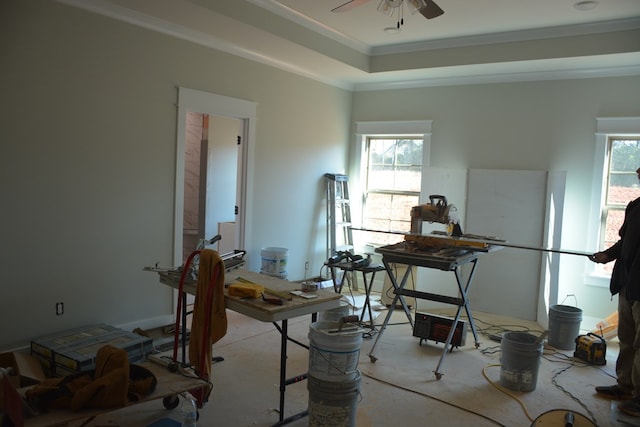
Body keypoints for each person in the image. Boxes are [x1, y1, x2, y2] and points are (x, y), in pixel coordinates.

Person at [591, 167, 640, 417]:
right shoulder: (635, 206)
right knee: (627, 339)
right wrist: (607, 255)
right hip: (627, 284)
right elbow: (626, 243)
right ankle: (625, 386)